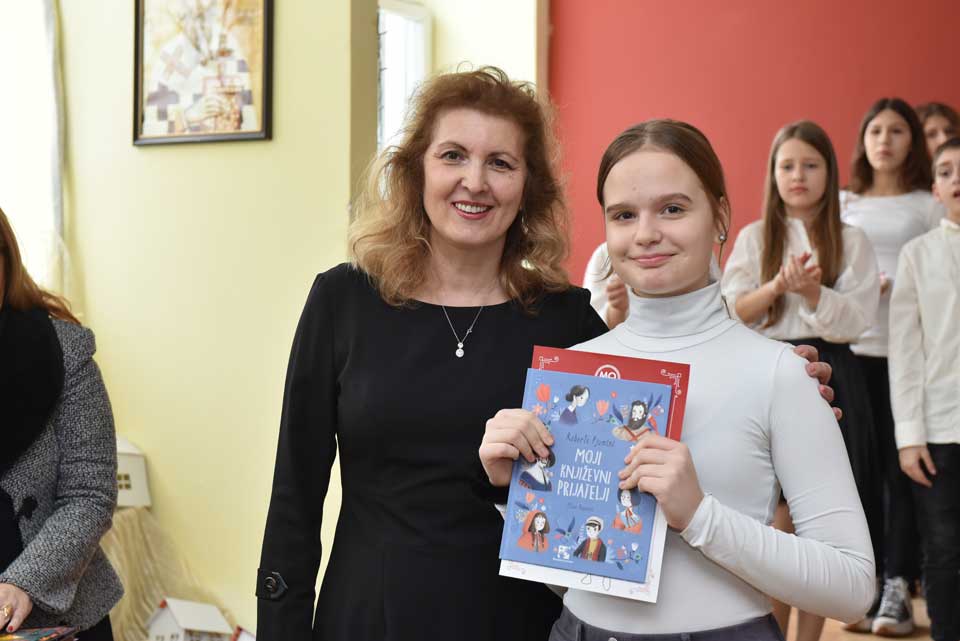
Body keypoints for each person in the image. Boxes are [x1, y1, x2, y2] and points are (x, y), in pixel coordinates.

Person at [256, 67, 837, 641]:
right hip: (369, 616)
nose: (475, 182)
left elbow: (667, 416)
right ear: (416, 170)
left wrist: (784, 389)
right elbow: (294, 500)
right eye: (453, 156)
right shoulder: (344, 302)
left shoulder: (567, 322)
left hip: (522, 621)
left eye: (500, 163)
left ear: (528, 187)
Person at [480, 119, 875, 641]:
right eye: (624, 215)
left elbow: (852, 588)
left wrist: (699, 515)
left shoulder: (781, 372)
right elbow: (573, 576)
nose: (646, 233)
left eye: (672, 209)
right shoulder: (577, 373)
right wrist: (515, 492)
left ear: (720, 217)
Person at [722, 121, 881, 641]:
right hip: (769, 370)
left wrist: (813, 293)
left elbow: (857, 319)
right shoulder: (754, 237)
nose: (798, 175)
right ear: (772, 173)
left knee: (821, 521)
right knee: (777, 521)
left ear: (829, 173)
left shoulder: (852, 239)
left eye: (810, 165)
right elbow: (730, 310)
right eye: (787, 165)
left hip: (832, 372)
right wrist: (778, 286)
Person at [840, 97, 943, 635]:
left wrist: (895, 289)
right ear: (863, 140)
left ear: (912, 141)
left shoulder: (927, 203)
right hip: (851, 352)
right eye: (875, 130)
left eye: (897, 130)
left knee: (900, 475)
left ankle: (900, 586)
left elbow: (940, 271)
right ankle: (870, 582)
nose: (884, 140)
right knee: (859, 475)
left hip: (906, 357)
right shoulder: (845, 202)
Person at [0, 207, 122, 641]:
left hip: (55, 617)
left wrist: (24, 582)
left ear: (7, 260)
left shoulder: (64, 353)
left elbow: (90, 493)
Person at [888, 137, 960, 641]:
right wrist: (909, 436)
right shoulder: (917, 255)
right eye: (947, 171)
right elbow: (906, 351)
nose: (958, 179)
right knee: (944, 549)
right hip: (939, 426)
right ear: (935, 188)